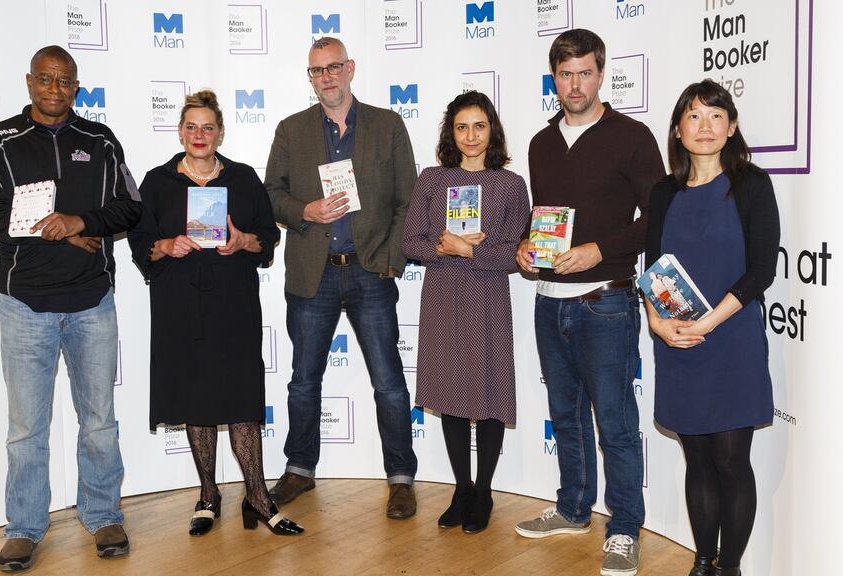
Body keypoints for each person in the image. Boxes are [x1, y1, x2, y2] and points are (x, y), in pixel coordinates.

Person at [0, 45, 141, 571]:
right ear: (29, 82)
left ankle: (103, 514)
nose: (54, 89)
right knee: (26, 428)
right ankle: (24, 527)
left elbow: (130, 208)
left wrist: (82, 222)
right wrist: (62, 231)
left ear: (76, 87)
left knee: (99, 420)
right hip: (25, 304)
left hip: (92, 301)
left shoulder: (101, 140)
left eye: (65, 81)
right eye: (45, 79)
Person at [513, 29, 665, 576]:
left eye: (584, 73)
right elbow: (546, 220)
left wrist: (600, 250)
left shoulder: (632, 136)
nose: (575, 85)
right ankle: (574, 509)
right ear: (553, 78)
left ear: (601, 74)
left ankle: (624, 529)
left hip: (606, 301)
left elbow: (658, 216)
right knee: (566, 417)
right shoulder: (540, 143)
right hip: (548, 300)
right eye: (565, 74)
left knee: (616, 425)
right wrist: (525, 247)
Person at [128, 90, 302, 537]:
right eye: (191, 127)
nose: (199, 134)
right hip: (179, 306)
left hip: (233, 306)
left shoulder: (243, 179)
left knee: (241, 398)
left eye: (208, 127)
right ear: (180, 132)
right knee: (195, 399)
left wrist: (243, 241)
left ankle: (258, 497)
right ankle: (208, 495)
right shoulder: (157, 182)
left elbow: (268, 237)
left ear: (220, 133)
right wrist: (165, 245)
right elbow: (139, 241)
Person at [264, 36, 419, 518]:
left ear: (350, 68)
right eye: (317, 70)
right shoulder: (291, 130)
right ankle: (299, 468)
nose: (326, 77)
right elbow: (271, 195)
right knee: (302, 382)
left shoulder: (388, 125)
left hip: (371, 272)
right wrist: (304, 210)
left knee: (389, 383)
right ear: (310, 78)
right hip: (313, 276)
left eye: (333, 67)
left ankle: (401, 477)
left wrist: (391, 260)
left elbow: (409, 201)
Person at [644, 79, 779, 576]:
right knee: (698, 459)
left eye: (716, 115)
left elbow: (761, 271)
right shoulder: (663, 192)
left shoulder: (751, 184)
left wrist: (707, 321)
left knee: (731, 461)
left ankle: (730, 567)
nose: (705, 126)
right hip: (677, 344)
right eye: (694, 116)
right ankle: (702, 562)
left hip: (732, 341)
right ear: (678, 129)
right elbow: (652, 269)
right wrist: (657, 323)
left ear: (732, 126)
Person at [401, 91, 529, 533]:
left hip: (488, 296)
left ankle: (484, 492)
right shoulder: (432, 179)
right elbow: (409, 241)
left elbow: (516, 254)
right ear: (450, 133)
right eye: (461, 127)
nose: (471, 136)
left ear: (492, 130)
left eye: (479, 126)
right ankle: (461, 489)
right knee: (450, 393)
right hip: (442, 295)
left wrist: (468, 251)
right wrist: (444, 248)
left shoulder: (511, 185)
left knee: (489, 394)